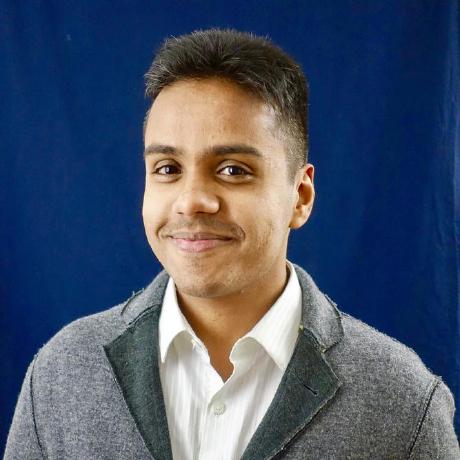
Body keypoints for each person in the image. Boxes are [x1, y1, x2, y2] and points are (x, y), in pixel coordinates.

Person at [5, 28, 459, 459]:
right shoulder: (60, 374)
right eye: (167, 169)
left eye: (233, 170)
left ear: (300, 196)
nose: (191, 201)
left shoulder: (404, 404)